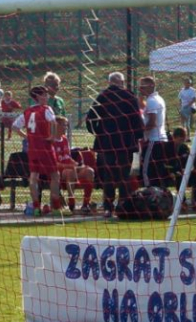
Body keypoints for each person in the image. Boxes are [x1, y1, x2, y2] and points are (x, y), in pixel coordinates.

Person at [85, 72, 144, 218]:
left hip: (106, 144)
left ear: (109, 82)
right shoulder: (129, 96)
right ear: (122, 82)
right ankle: (123, 206)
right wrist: (138, 139)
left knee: (108, 176)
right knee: (125, 175)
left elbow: (90, 118)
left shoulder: (102, 96)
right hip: (126, 143)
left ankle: (108, 207)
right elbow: (137, 120)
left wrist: (98, 132)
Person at [11, 86, 63, 215]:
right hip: (45, 147)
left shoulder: (27, 111)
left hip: (33, 149)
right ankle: (56, 207)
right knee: (55, 176)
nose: (46, 97)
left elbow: (15, 126)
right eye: (44, 95)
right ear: (38, 97)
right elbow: (54, 123)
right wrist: (52, 136)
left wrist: (27, 137)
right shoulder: (46, 109)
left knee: (34, 177)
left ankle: (36, 207)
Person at [53, 116, 94, 214]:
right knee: (70, 172)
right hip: (59, 172)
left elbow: (67, 157)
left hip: (71, 168)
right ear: (56, 125)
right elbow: (54, 164)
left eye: (67, 125)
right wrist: (71, 167)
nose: (66, 128)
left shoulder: (65, 139)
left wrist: (77, 164)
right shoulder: (51, 141)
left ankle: (85, 204)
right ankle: (71, 202)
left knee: (89, 171)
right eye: (64, 125)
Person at [139, 76, 168, 188]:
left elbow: (152, 122)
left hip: (153, 140)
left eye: (143, 87)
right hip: (159, 139)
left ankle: (150, 194)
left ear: (151, 86)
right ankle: (158, 194)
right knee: (157, 171)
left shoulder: (151, 101)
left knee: (147, 171)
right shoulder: (157, 99)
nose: (140, 89)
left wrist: (139, 131)